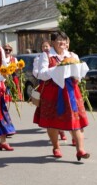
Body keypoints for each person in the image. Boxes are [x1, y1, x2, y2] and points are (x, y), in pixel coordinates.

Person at [33, 31, 90, 161]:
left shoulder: (72, 55)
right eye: (59, 40)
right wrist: (58, 69)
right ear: (53, 42)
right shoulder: (46, 55)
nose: (62, 42)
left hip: (71, 91)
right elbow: (41, 74)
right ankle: (56, 146)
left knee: (76, 120)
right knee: (52, 122)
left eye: (64, 40)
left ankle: (80, 149)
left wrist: (77, 73)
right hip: (52, 92)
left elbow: (78, 74)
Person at [33, 40, 70, 143]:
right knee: (52, 110)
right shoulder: (39, 58)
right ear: (41, 48)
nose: (45, 48)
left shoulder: (63, 55)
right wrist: (44, 74)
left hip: (62, 84)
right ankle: (57, 134)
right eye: (43, 46)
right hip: (46, 82)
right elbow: (36, 71)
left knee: (63, 110)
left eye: (47, 46)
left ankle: (63, 132)